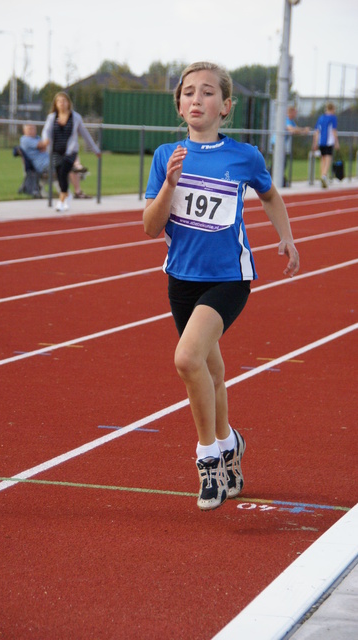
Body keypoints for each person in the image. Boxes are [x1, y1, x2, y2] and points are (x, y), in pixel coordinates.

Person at [143, 61, 300, 512]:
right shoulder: (165, 156)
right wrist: (169, 184)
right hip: (182, 280)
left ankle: (208, 457)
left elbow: (269, 194)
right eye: (188, 92)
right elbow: (150, 228)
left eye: (208, 92)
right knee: (209, 371)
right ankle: (232, 445)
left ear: (225, 106)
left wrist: (285, 235)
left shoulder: (244, 156)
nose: (197, 99)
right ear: (179, 103)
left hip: (230, 279)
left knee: (187, 358)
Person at [41, 92, 101, 211]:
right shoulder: (52, 117)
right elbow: (45, 131)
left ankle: (61, 200)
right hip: (55, 151)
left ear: (68, 103)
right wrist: (46, 140)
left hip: (70, 151)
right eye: (59, 101)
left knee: (63, 172)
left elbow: (85, 134)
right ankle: (67, 194)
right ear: (56, 104)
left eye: (64, 101)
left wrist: (95, 149)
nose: (62, 103)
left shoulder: (75, 117)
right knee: (60, 176)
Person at [312, 102, 340, 189]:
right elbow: (333, 131)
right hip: (328, 142)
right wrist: (336, 142)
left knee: (323, 159)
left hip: (321, 142)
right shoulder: (332, 118)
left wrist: (315, 143)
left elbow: (316, 132)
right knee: (328, 159)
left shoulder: (321, 118)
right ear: (332, 109)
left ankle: (322, 176)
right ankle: (324, 176)